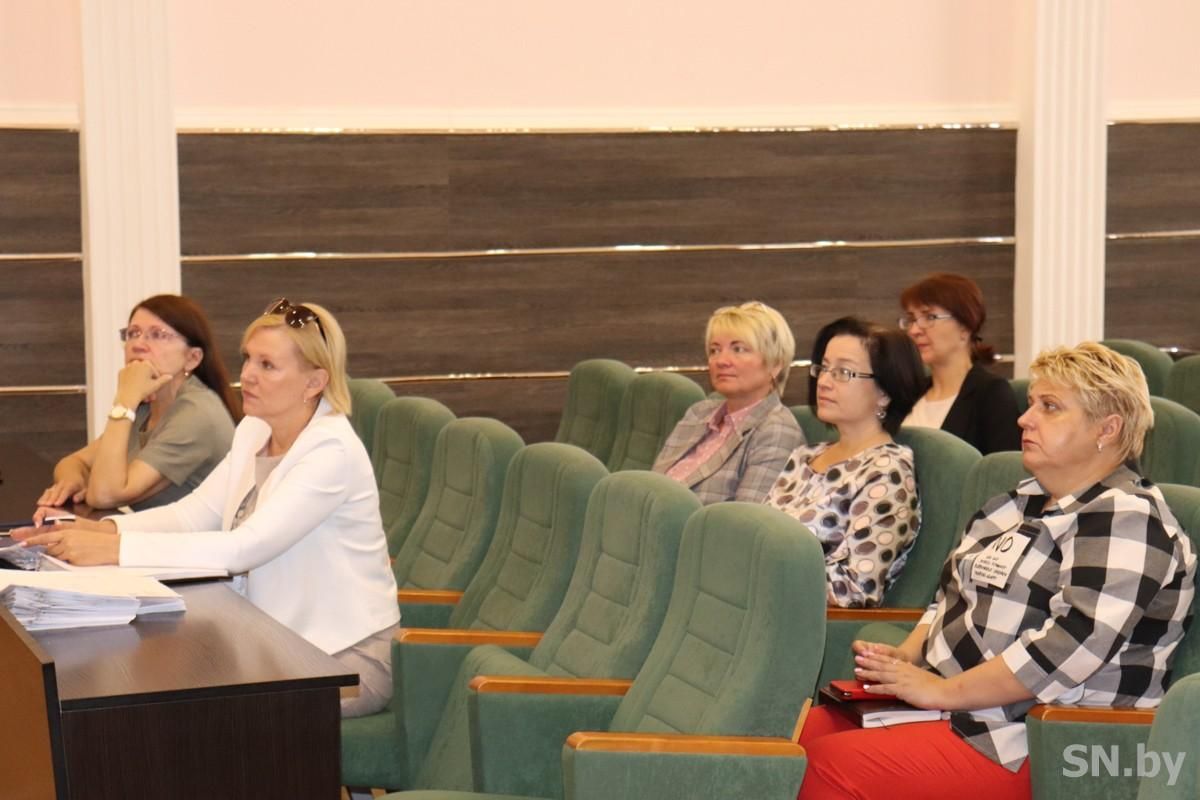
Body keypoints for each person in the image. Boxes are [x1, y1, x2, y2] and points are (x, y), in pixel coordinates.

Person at [796, 342, 1196, 800]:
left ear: (1107, 428)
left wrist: (943, 692)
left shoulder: (1127, 519)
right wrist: (907, 658)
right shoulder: (1017, 502)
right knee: (803, 735)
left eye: (1050, 407)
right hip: (964, 710)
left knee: (828, 768)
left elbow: (1069, 647)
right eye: (1032, 404)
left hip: (1045, 738)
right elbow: (950, 595)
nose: (1025, 419)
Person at [18, 298, 401, 718]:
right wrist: (101, 531)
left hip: (341, 658)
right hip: (272, 640)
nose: (247, 374)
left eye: (267, 365)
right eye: (248, 359)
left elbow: (243, 548)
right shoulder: (255, 429)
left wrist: (115, 551)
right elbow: (192, 514)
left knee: (193, 716)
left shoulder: (330, 451)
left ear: (314, 383)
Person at [764, 317, 925, 607]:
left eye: (843, 372)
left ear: (885, 393)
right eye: (824, 368)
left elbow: (854, 590)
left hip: (798, 616)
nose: (824, 382)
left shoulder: (886, 472)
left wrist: (761, 579)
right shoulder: (803, 457)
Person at [38, 294, 238, 511]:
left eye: (157, 334)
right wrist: (73, 480)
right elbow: (73, 462)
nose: (138, 345)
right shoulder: (146, 405)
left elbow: (104, 495)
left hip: (197, 535)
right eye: (133, 333)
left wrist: (124, 400)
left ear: (192, 358)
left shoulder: (196, 415)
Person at [652, 301, 803, 504]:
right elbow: (654, 484)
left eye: (738, 349)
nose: (721, 361)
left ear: (775, 364)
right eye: (714, 350)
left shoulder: (777, 431)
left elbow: (745, 518)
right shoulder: (698, 413)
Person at [899, 272, 1020, 454]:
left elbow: (1002, 468)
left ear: (965, 327)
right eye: (911, 320)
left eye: (929, 317)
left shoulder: (991, 394)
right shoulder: (908, 393)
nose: (914, 330)